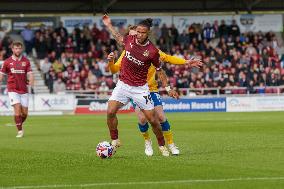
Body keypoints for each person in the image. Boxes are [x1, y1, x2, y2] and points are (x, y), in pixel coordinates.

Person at [108, 25, 203, 156]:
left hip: (150, 89)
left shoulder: (152, 52)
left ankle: (170, 144)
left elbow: (168, 58)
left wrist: (186, 62)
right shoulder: (126, 52)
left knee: (160, 117)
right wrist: (111, 62)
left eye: (137, 33)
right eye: (132, 35)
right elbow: (114, 69)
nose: (134, 37)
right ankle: (147, 142)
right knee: (142, 120)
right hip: (132, 88)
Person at [102, 15, 171, 156]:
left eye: (142, 32)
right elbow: (118, 37)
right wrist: (108, 24)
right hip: (123, 85)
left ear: (148, 33)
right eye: (137, 32)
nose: (139, 34)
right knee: (110, 111)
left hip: (140, 89)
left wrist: (168, 88)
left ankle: (161, 144)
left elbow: (160, 71)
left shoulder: (152, 51)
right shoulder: (129, 40)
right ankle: (115, 140)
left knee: (153, 120)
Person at [0, 41, 34, 138]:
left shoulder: (26, 61)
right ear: (12, 49)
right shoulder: (7, 62)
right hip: (12, 89)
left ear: (21, 49)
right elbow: (1, 75)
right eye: (15, 48)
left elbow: (30, 74)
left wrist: (31, 80)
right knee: (17, 110)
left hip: (23, 89)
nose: (17, 50)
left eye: (19, 48)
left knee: (25, 113)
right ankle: (20, 131)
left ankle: (18, 123)